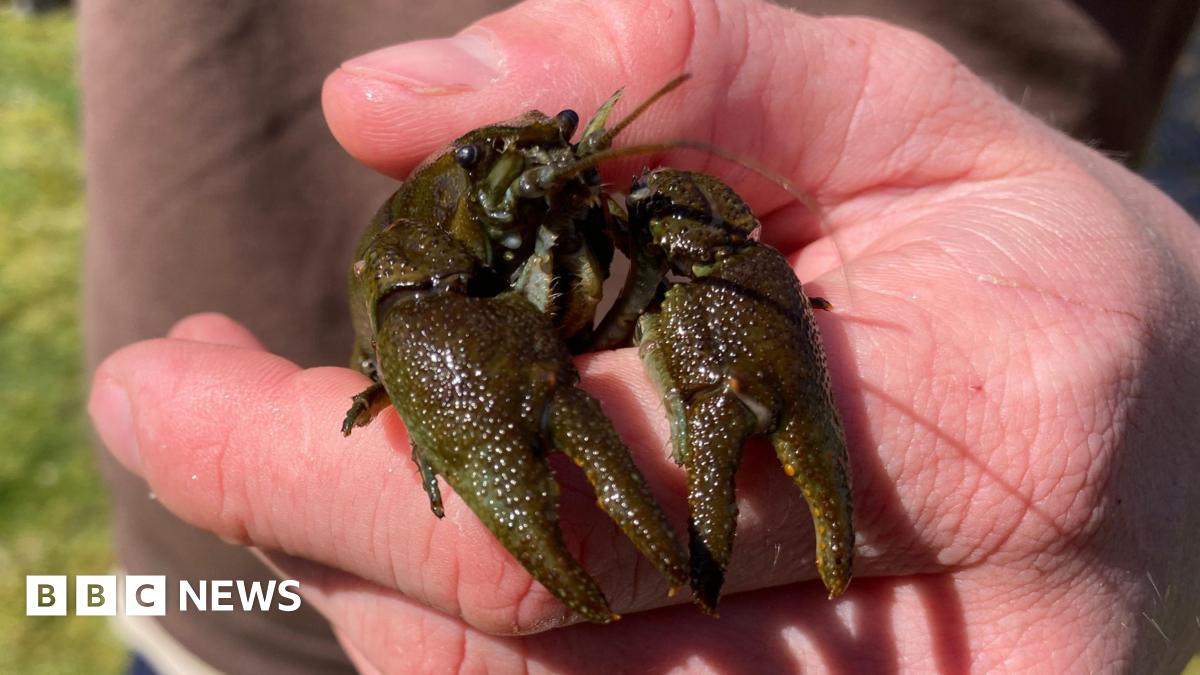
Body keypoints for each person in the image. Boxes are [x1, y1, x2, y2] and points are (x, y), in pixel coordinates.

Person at [83, 0, 1200, 672]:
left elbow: (697, 234)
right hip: (234, 607)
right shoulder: (423, 285)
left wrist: (1167, 339)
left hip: (942, 555)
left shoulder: (606, 202)